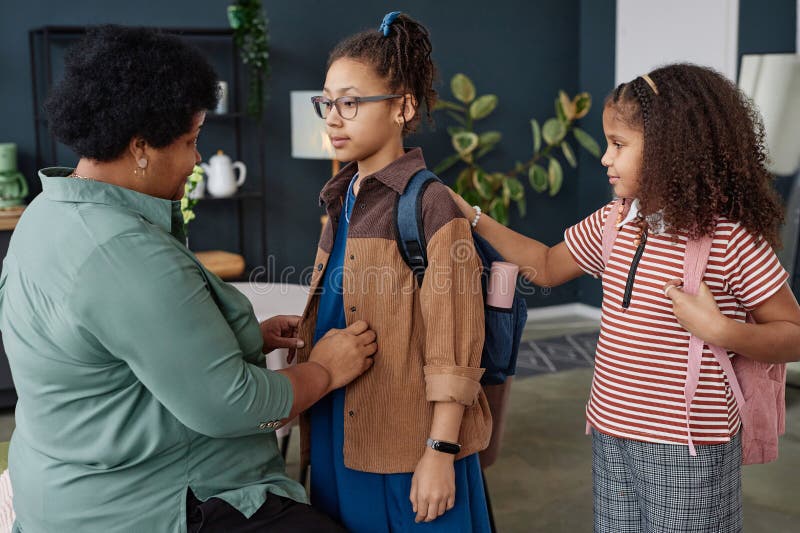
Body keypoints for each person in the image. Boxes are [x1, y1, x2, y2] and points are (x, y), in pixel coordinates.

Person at [0, 25, 377, 532]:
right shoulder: (121, 251)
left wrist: (239, 338)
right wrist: (325, 371)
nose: (197, 159)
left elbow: (123, 349)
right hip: (142, 505)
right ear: (140, 148)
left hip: (61, 481)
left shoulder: (51, 209)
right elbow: (232, 408)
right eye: (189, 141)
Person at [448, 63, 800, 532]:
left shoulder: (731, 239)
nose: (604, 158)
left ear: (671, 151)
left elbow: (794, 333)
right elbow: (549, 265)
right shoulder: (617, 220)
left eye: (618, 145)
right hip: (611, 427)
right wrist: (472, 216)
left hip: (688, 443)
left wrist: (720, 331)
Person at [291, 12, 492, 532]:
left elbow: (455, 346)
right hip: (339, 428)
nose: (332, 118)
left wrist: (439, 452)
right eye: (327, 103)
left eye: (350, 103)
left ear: (402, 107)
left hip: (407, 443)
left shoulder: (430, 206)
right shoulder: (342, 198)